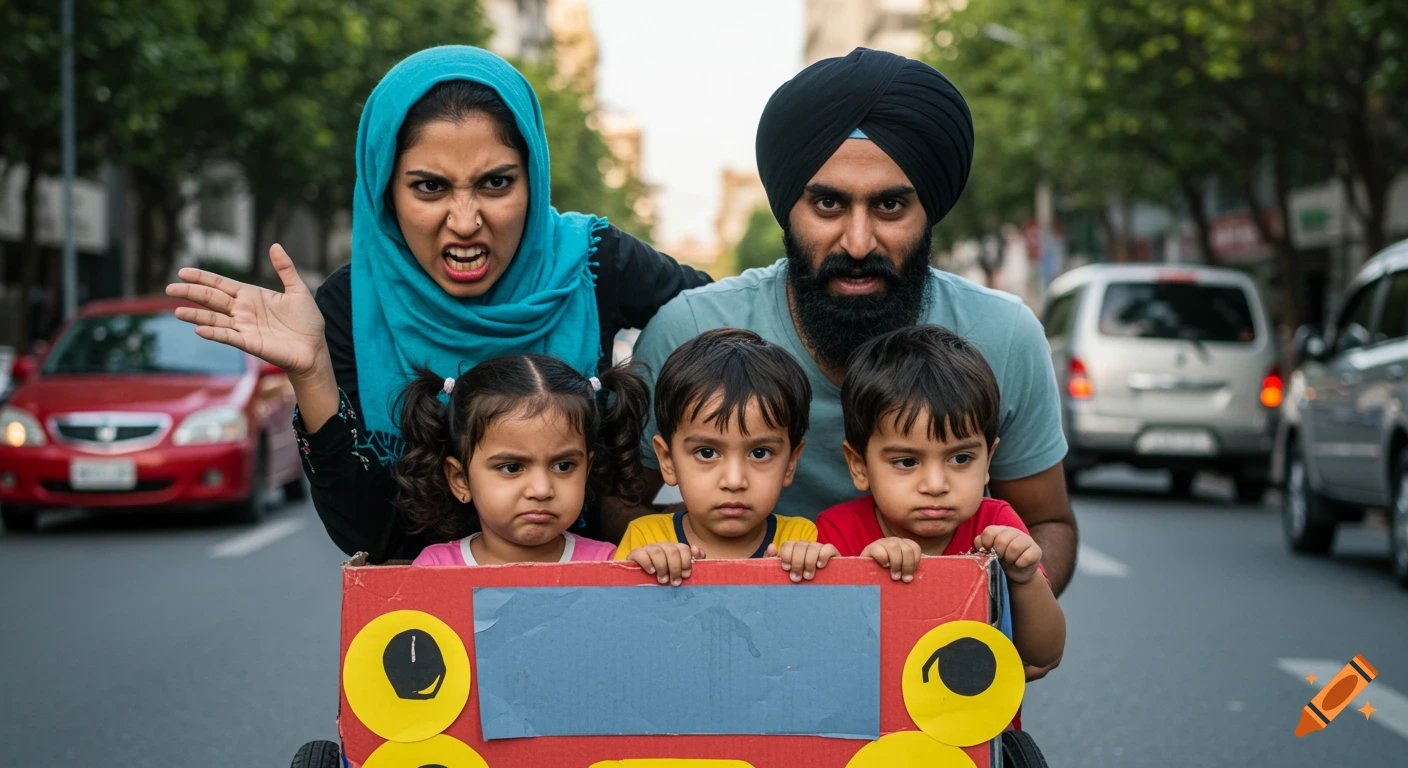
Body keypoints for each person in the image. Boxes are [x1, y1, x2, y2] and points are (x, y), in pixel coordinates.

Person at [167, 46, 709, 562]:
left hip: (591, 601)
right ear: (386, 192)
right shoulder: (347, 305)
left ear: (533, 175)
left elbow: (713, 322)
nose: (466, 221)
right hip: (430, 628)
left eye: (496, 183)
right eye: (430, 188)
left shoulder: (591, 260)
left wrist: (659, 496)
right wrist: (312, 375)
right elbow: (371, 535)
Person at [619, 49, 1077, 629]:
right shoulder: (690, 331)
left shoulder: (1003, 335)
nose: (858, 242)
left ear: (928, 209)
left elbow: (1048, 524)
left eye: (890, 204)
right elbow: (618, 504)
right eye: (828, 203)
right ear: (788, 208)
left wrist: (993, 606)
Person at [816, 325, 1065, 681]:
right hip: (871, 734)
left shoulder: (996, 526)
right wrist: (861, 573)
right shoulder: (838, 533)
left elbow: (1045, 652)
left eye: (961, 459)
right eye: (906, 462)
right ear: (859, 465)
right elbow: (819, 654)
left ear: (988, 461)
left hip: (977, 732)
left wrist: (1024, 579)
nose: (935, 485)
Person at [616, 329, 834, 585]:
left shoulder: (801, 540)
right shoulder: (647, 539)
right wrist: (643, 574)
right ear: (668, 460)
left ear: (790, 463)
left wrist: (817, 571)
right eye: (707, 452)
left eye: (760, 453)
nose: (734, 481)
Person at [406, 354, 648, 566]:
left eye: (564, 466)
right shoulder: (436, 571)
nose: (541, 490)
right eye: (512, 467)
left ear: (587, 470)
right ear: (460, 480)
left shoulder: (609, 566)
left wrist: (654, 569)